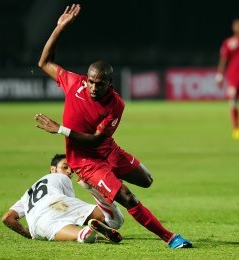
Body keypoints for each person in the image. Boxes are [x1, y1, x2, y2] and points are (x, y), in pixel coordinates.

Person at [35, 4, 192, 248]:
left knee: (147, 180)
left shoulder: (116, 105)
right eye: (91, 82)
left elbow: (97, 139)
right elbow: (44, 62)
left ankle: (101, 189)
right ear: (86, 79)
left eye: (100, 84)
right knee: (127, 197)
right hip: (86, 162)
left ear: (111, 83)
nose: (94, 88)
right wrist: (60, 28)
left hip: (107, 149)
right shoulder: (74, 83)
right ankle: (170, 238)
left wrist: (61, 129)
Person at [2, 154, 123, 243]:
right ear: (53, 169)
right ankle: (92, 189)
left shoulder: (27, 195)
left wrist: (30, 234)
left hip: (38, 225)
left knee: (81, 236)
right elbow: (70, 213)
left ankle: (88, 233)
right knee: (115, 221)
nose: (69, 171)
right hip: (56, 204)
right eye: (65, 167)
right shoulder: (61, 177)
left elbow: (7, 218)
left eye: (72, 169)